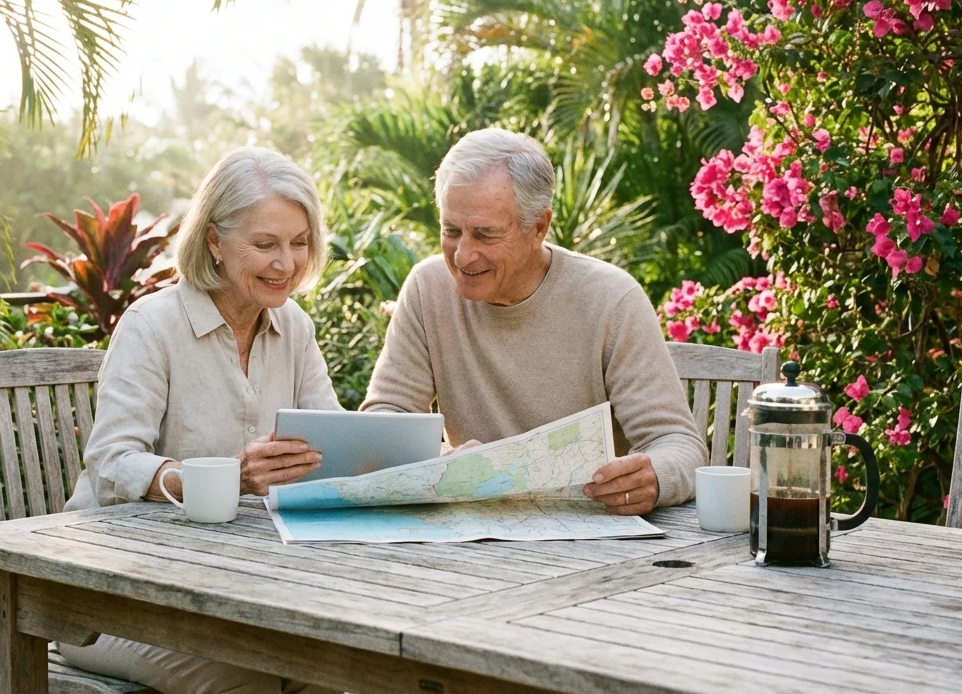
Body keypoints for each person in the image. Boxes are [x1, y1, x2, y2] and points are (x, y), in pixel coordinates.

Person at [60, 147, 339, 694]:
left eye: (299, 243)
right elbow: (112, 465)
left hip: (232, 590)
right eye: (265, 245)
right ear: (215, 240)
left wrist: (431, 461)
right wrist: (218, 479)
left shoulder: (294, 328)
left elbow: (333, 440)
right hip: (113, 600)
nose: (287, 263)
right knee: (251, 677)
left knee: (334, 667)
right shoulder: (151, 325)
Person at [361, 128, 706, 513]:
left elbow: (679, 444)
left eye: (485, 234)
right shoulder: (428, 288)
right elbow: (384, 420)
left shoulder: (612, 299)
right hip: (468, 529)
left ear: (539, 227)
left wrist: (652, 477)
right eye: (451, 231)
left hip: (590, 535)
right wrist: (444, 460)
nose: (462, 256)